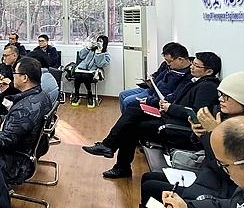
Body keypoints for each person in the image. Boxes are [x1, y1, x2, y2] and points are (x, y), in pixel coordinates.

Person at [139, 69, 244, 205]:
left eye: (226, 96)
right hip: (208, 177)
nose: (221, 99)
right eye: (220, 94)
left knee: (150, 186)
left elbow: (224, 167)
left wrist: (214, 133)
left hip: (223, 191)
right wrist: (199, 134)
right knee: (148, 178)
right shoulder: (226, 114)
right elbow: (206, 153)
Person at [82, 51, 222, 179]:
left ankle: (117, 160)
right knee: (132, 110)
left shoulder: (207, 87)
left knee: (130, 127)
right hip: (169, 116)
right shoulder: (197, 81)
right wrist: (166, 103)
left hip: (176, 127)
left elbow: (196, 114)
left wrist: (170, 107)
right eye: (193, 63)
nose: (191, 67)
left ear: (209, 71)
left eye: (196, 65)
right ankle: (108, 146)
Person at [0, 57, 53, 184]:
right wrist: (2, 119)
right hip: (30, 150)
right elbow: (24, 124)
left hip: (15, 162)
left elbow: (5, 141)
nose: (13, 76)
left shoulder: (24, 108)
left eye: (15, 73)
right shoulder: (42, 96)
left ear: (24, 78)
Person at [120, 42, 193, 112]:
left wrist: (150, 100)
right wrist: (151, 84)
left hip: (159, 98)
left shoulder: (188, 75)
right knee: (122, 95)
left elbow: (173, 97)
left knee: (128, 101)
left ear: (180, 60)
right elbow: (158, 76)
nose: (168, 64)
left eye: (169, 61)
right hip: (152, 90)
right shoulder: (170, 66)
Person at [71, 35, 111, 108]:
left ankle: (90, 96)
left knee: (85, 76)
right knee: (77, 75)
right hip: (82, 68)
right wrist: (87, 48)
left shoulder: (105, 54)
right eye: (98, 41)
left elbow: (100, 64)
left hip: (93, 70)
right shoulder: (91, 50)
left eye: (101, 41)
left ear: (104, 43)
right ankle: (76, 96)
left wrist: (99, 53)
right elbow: (81, 55)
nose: (98, 43)